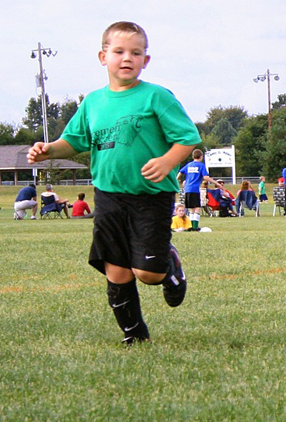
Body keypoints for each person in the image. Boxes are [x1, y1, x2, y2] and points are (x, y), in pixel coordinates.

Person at [28, 21, 199, 344]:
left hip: (151, 196)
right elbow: (75, 140)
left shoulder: (156, 97)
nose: (127, 58)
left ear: (145, 61)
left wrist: (167, 161)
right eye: (118, 51)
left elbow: (187, 139)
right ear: (102, 56)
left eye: (136, 53)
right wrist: (49, 150)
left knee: (147, 274)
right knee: (117, 270)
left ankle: (170, 263)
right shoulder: (93, 102)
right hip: (108, 195)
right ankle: (135, 335)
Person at [180, 148, 215, 231]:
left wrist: (177, 180)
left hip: (187, 189)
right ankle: (195, 227)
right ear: (201, 156)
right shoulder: (201, 165)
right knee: (197, 208)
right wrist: (216, 183)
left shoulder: (189, 165)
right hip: (195, 189)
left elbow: (181, 172)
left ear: (193, 156)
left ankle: (191, 226)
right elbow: (205, 177)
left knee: (191, 208)